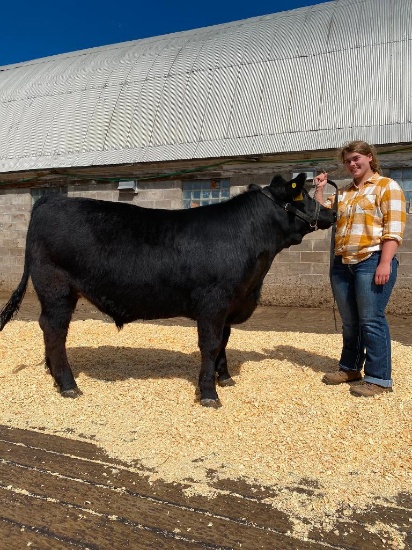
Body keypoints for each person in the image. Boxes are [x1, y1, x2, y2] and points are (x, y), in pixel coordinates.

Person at [314, 140, 406, 397]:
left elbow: (394, 228)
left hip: (372, 260)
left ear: (369, 158)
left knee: (371, 320)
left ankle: (379, 378)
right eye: (347, 161)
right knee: (350, 322)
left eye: (356, 158)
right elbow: (323, 216)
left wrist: (385, 262)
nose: (352, 164)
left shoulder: (387, 187)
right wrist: (320, 190)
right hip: (343, 264)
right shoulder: (343, 193)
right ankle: (350, 368)